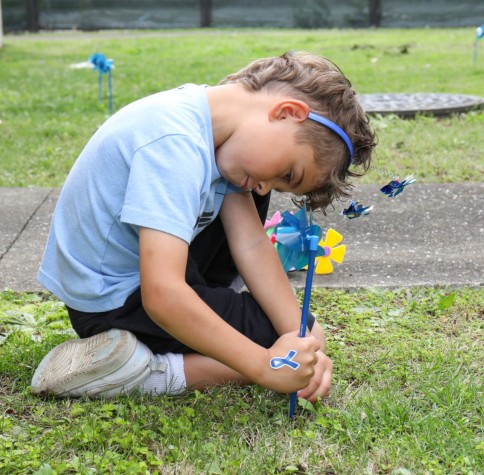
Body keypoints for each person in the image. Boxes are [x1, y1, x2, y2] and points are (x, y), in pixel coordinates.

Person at [31, 51, 376, 402]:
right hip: (113, 304)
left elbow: (253, 246)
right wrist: (265, 365)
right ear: (287, 113)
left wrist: (301, 338)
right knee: (278, 339)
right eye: (289, 174)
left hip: (138, 281)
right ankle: (145, 374)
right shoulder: (174, 146)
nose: (265, 187)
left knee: (304, 336)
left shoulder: (207, 121)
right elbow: (162, 296)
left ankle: (202, 330)